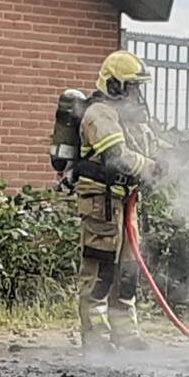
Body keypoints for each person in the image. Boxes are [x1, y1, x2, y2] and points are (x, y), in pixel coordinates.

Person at [75, 50, 162, 354]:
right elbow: (116, 157)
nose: (137, 94)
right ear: (114, 85)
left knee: (128, 270)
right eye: (132, 86)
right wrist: (150, 167)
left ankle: (125, 333)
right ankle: (96, 339)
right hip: (101, 203)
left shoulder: (128, 118)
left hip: (125, 203)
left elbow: (148, 148)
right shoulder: (99, 114)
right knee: (100, 270)